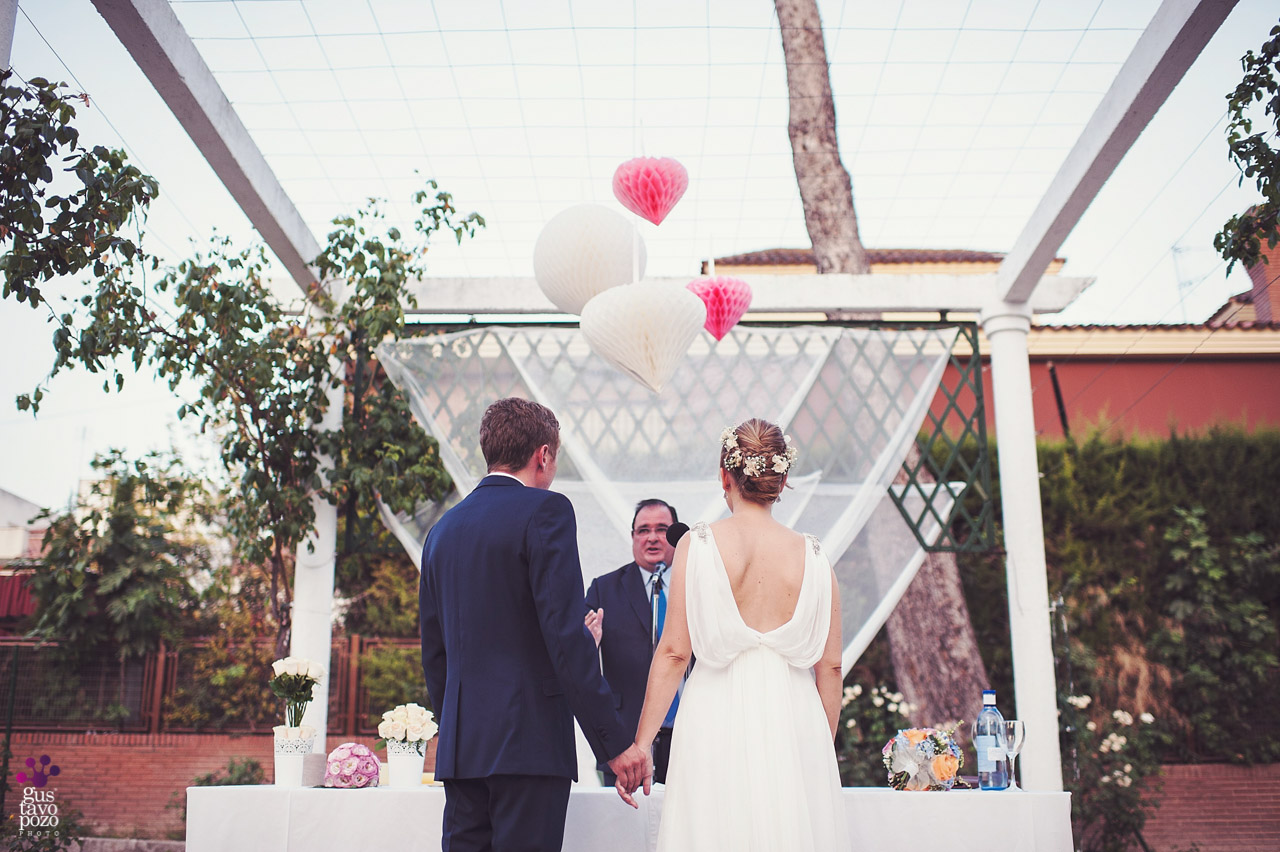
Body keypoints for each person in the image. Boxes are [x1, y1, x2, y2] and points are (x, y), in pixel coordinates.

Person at [419, 397, 649, 852]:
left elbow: (434, 652)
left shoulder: (442, 530)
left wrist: (459, 729)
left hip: (463, 752)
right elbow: (565, 639)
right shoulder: (546, 511)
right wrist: (614, 743)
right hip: (529, 745)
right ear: (543, 455)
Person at [621, 419, 848, 851]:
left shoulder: (697, 545)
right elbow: (831, 667)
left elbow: (674, 653)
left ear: (724, 476)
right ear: (782, 481)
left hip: (714, 718)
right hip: (795, 720)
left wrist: (641, 744)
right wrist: (819, 746)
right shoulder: (816, 556)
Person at [584, 498, 684, 786]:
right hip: (625, 740)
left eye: (662, 529)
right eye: (643, 530)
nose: (652, 537)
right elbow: (576, 657)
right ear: (632, 537)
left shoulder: (697, 584)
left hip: (690, 735)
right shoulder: (604, 589)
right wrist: (587, 643)